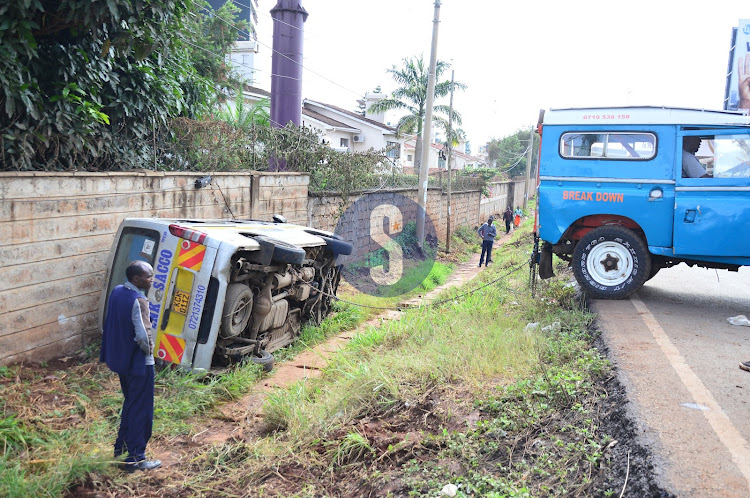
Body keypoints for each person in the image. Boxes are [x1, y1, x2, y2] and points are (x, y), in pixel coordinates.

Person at [100, 260, 161, 472]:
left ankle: (121, 452)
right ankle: (135, 458)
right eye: (149, 277)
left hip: (122, 362)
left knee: (131, 405)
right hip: (139, 365)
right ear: (136, 279)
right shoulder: (139, 300)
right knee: (141, 411)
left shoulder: (118, 291)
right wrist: (151, 354)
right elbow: (143, 336)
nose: (152, 280)